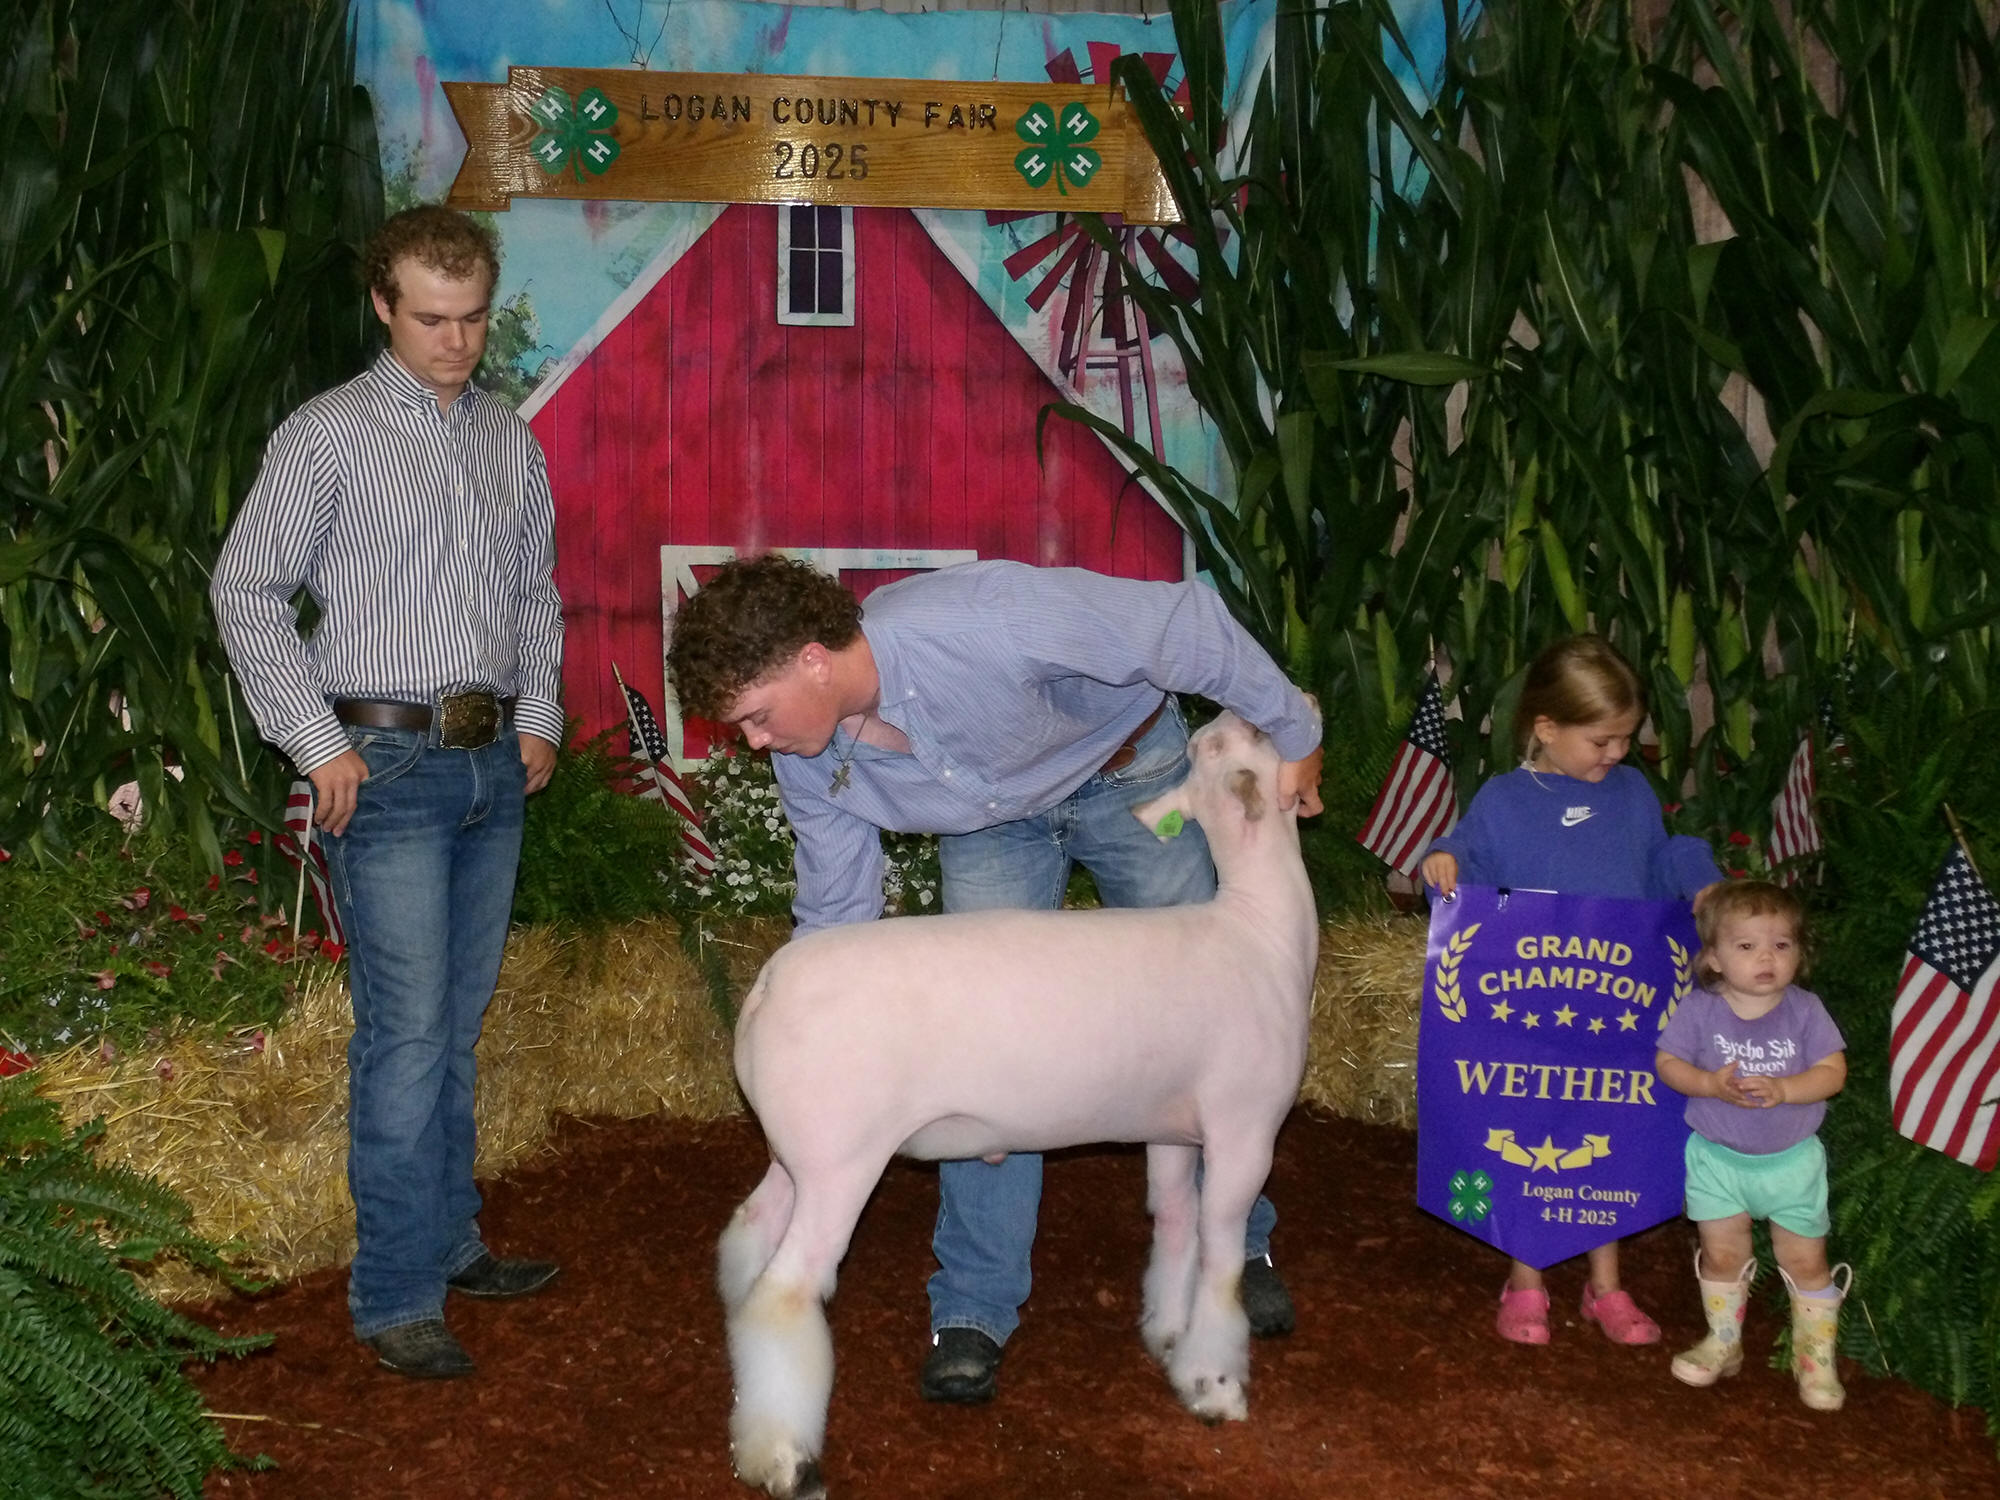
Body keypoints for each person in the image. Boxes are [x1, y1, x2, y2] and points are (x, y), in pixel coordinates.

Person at [667, 553, 1323, 1405]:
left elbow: (1183, 624)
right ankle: (975, 1304)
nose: (755, 742)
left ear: (813, 662)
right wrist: (820, 1060)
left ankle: (1238, 1251)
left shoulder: (985, 620)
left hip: (1128, 776)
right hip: (993, 829)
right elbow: (837, 918)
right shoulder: (808, 757)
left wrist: (1295, 736)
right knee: (972, 1055)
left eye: (757, 716)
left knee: (1222, 1038)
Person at [210, 205, 565, 1380]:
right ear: (381, 304)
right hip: (386, 765)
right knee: (408, 1036)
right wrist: (316, 744)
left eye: (472, 319)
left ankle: (449, 1242)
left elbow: (535, 594)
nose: (455, 342)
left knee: (453, 1027)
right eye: (429, 318)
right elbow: (245, 590)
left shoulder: (509, 440)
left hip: (489, 764)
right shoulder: (325, 434)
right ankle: (396, 1293)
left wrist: (538, 715)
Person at [1420, 634, 1721, 1347]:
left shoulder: (1632, 794)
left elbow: (1663, 856)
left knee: (1607, 1133)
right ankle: (1525, 1279)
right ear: (1546, 728)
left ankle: (1605, 1286)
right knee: (1528, 1128)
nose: (1617, 753)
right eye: (1602, 740)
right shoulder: (1504, 800)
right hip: (1525, 1014)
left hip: (1619, 1011)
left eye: (1626, 738)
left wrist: (1701, 879)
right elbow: (1467, 858)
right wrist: (1445, 860)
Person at [1656, 880, 1850, 1410]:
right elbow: (1667, 1063)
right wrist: (1707, 1083)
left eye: (1781, 944)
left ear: (1798, 953)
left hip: (1792, 1164)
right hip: (1717, 1161)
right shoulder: (1699, 1010)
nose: (1767, 957)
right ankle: (1723, 1343)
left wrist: (1787, 1089)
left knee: (1805, 1260)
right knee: (1722, 1255)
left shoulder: (1806, 1011)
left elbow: (1833, 1073)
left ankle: (1815, 1361)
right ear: (1714, 959)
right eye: (1747, 945)